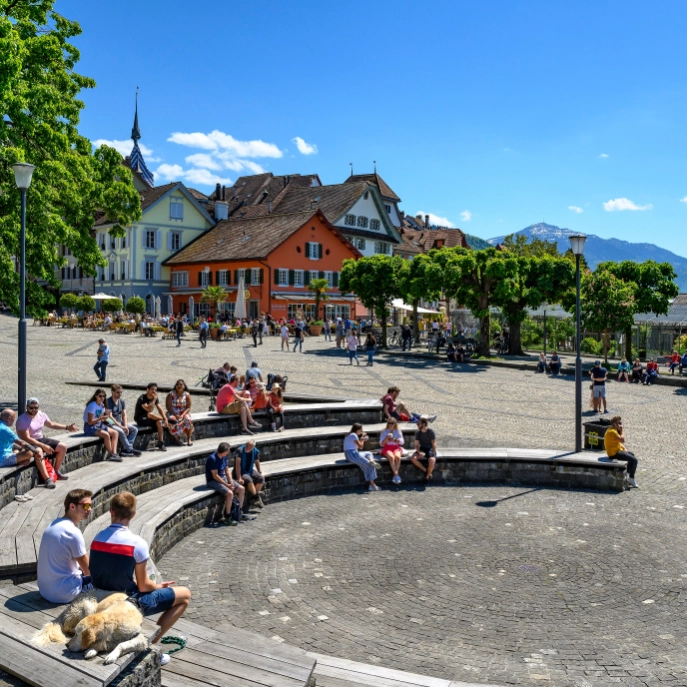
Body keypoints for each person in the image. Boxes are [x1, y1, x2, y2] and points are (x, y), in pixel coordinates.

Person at [90, 492, 192, 666]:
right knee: (185, 595)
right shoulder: (137, 544)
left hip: (99, 598)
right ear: (134, 514)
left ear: (111, 512)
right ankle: (148, 645)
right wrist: (158, 586)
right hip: (126, 603)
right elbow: (145, 586)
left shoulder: (97, 539)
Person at [37, 489, 94, 603]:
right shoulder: (72, 532)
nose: (90, 509)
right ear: (72, 506)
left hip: (45, 590)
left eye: (91, 505)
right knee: (108, 582)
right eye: (86, 506)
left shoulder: (53, 525)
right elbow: (89, 571)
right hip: (64, 593)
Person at [16, 397, 77, 479]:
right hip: (29, 443)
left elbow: (51, 424)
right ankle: (47, 478)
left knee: (63, 447)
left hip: (41, 439)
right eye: (31, 408)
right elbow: (27, 438)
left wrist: (67, 427)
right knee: (39, 452)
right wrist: (43, 446)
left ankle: (55, 471)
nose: (33, 409)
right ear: (27, 407)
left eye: (36, 407)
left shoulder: (41, 414)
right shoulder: (22, 419)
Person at [0, 408, 52, 495]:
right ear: (8, 418)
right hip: (2, 459)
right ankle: (22, 461)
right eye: (13, 418)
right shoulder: (5, 429)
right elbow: (22, 443)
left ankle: (21, 460)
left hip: (5, 453)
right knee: (29, 453)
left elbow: (11, 444)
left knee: (18, 449)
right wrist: (35, 452)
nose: (14, 421)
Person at [205, 442, 244, 525]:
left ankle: (238, 512)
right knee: (230, 493)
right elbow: (215, 476)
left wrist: (230, 482)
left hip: (224, 478)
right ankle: (228, 516)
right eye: (228, 450)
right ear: (224, 451)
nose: (229, 452)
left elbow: (227, 470)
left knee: (241, 489)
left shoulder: (224, 457)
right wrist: (227, 485)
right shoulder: (213, 459)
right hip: (213, 481)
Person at [83, 389, 121, 461]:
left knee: (115, 433)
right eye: (100, 396)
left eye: (104, 396)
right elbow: (90, 422)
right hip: (89, 427)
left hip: (98, 425)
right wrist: (100, 418)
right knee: (106, 435)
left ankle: (114, 452)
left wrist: (107, 419)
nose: (102, 398)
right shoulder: (92, 405)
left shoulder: (102, 405)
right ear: (96, 396)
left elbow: (101, 419)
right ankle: (111, 454)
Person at [603, 416, 639, 488]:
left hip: (617, 450)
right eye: (619, 423)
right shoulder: (612, 432)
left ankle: (628, 475)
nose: (621, 425)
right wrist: (621, 431)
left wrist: (624, 448)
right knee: (634, 460)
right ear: (614, 424)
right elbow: (622, 440)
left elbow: (618, 443)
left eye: (621, 423)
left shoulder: (613, 430)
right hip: (614, 454)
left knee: (631, 455)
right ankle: (631, 478)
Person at [106, 385, 141, 457]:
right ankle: (130, 449)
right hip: (110, 423)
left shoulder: (121, 401)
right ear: (112, 392)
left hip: (119, 422)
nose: (120, 394)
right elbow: (110, 417)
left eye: (121, 392)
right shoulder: (108, 402)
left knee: (134, 429)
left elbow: (124, 415)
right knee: (121, 431)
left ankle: (126, 449)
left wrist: (125, 426)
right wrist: (121, 427)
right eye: (118, 392)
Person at [343, 423, 379, 491]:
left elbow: (355, 446)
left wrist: (362, 439)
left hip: (351, 454)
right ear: (357, 430)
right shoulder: (354, 435)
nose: (361, 431)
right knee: (370, 465)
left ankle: (371, 460)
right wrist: (362, 439)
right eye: (360, 430)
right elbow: (361, 447)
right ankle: (372, 485)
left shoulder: (349, 434)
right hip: (352, 454)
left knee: (368, 453)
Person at [134, 383, 169, 452]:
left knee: (159, 422)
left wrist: (165, 419)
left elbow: (160, 409)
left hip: (149, 419)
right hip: (140, 419)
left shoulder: (155, 398)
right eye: (152, 389)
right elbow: (148, 409)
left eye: (155, 390)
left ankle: (161, 442)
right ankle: (167, 420)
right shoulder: (142, 398)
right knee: (150, 414)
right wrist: (154, 399)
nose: (154, 391)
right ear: (147, 389)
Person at [234, 439, 265, 509]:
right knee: (249, 479)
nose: (247, 447)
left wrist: (260, 472)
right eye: (247, 445)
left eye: (250, 446)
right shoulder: (240, 450)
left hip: (249, 469)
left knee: (261, 478)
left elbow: (257, 461)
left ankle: (254, 498)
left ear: (253, 447)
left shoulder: (255, 451)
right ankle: (256, 498)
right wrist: (239, 477)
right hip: (242, 471)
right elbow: (237, 465)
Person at [166, 380, 194, 446]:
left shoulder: (187, 395)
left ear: (184, 386)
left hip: (183, 413)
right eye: (177, 384)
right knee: (172, 420)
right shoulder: (171, 394)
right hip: (172, 412)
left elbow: (188, 407)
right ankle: (177, 440)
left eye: (181, 385)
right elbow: (168, 407)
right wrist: (175, 415)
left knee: (188, 419)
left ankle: (189, 439)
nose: (179, 386)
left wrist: (182, 415)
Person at [409, 416, 437, 481]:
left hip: (430, 448)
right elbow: (416, 445)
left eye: (419, 424)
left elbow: (434, 444)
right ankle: (425, 470)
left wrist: (432, 454)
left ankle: (427, 477)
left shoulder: (431, 432)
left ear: (424, 424)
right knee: (413, 458)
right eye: (417, 424)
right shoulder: (418, 433)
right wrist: (418, 452)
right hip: (422, 448)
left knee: (432, 461)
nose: (417, 425)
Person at [380, 417, 404, 484]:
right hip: (387, 447)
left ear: (395, 424)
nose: (390, 424)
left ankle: (395, 475)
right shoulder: (384, 431)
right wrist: (386, 438)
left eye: (392, 423)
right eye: (389, 423)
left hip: (396, 447)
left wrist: (395, 440)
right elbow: (382, 443)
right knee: (391, 457)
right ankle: (396, 475)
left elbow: (402, 442)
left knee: (397, 457)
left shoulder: (398, 431)